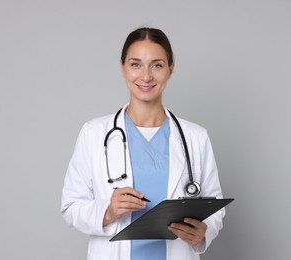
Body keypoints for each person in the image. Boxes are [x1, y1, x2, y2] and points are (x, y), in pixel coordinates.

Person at [61, 27, 225, 260]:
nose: (146, 76)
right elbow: (71, 207)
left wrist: (203, 232)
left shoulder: (195, 137)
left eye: (157, 65)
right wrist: (108, 211)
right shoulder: (94, 133)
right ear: (122, 67)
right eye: (135, 64)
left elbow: (215, 206)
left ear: (170, 69)